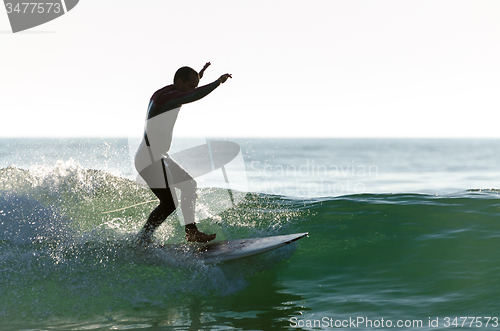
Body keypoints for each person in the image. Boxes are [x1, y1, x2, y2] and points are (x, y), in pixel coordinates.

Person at [134, 62, 232, 244]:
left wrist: (199, 75)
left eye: (194, 85)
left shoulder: (166, 92)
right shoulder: (170, 99)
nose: (192, 89)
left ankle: (191, 232)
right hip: (149, 158)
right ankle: (142, 240)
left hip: (156, 156)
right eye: (190, 84)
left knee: (188, 185)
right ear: (179, 81)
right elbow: (193, 95)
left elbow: (188, 90)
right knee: (169, 203)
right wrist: (217, 82)